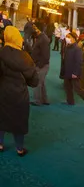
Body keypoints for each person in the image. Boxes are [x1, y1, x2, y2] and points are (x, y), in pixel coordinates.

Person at [0, 26, 39, 155]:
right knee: (19, 121)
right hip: (19, 94)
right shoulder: (26, 57)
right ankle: (19, 148)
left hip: (3, 92)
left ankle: (0, 145)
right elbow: (34, 81)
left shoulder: (1, 53)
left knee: (1, 119)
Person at [63, 32, 84, 106]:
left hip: (74, 72)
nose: (67, 38)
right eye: (66, 37)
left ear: (73, 38)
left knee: (78, 89)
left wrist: (75, 73)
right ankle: (70, 101)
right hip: (67, 71)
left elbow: (79, 62)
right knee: (67, 87)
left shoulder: (77, 49)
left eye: (68, 37)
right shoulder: (68, 47)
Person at [30, 23, 50, 106]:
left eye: (35, 27)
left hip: (41, 65)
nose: (34, 29)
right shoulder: (40, 37)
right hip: (40, 64)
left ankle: (37, 101)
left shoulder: (43, 39)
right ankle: (45, 100)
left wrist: (39, 65)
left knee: (37, 82)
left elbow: (46, 55)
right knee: (42, 83)